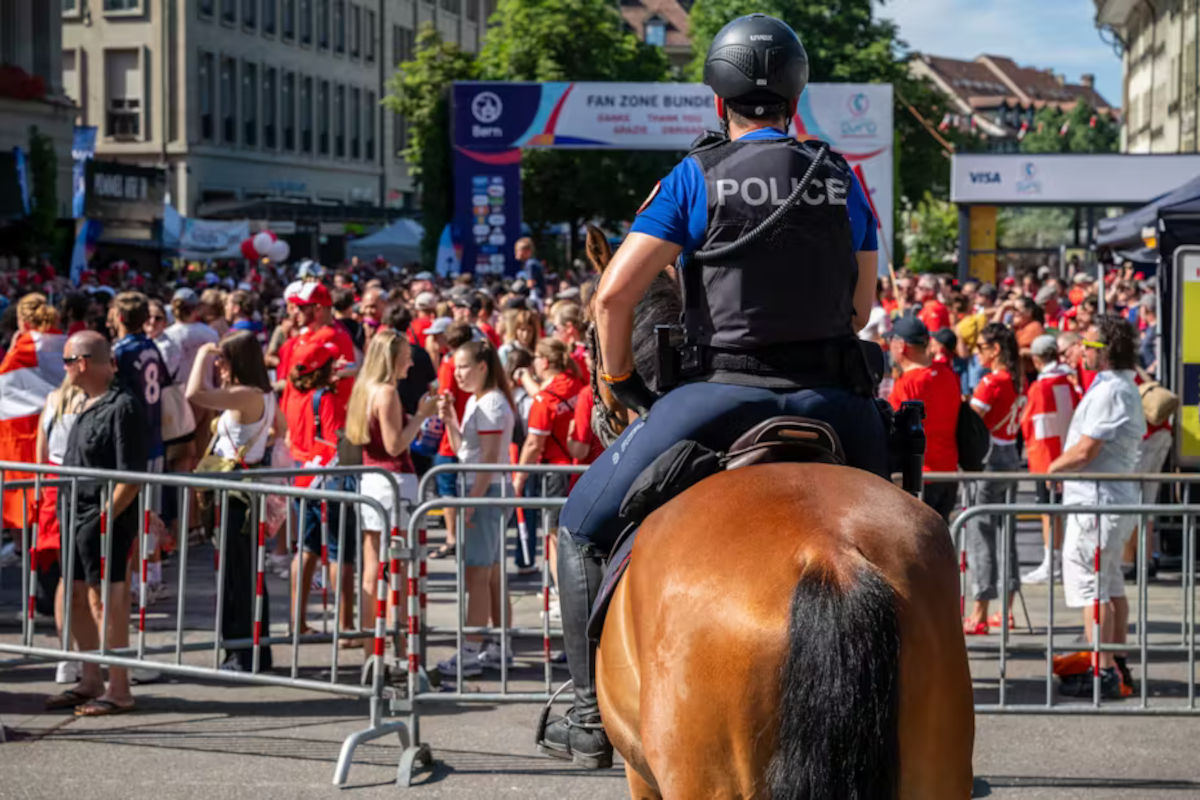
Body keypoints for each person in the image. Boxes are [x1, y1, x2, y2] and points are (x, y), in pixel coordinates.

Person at [540, 14, 887, 767]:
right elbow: (860, 311)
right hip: (838, 403)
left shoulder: (693, 177)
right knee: (907, 537)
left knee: (579, 526)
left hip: (721, 397)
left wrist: (624, 382)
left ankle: (583, 712)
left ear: (717, 95)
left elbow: (611, 300)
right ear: (796, 91)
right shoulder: (841, 176)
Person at [46, 331, 146, 716]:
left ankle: (119, 687)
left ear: (83, 362)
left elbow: (132, 475)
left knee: (105, 602)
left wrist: (105, 516)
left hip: (105, 520)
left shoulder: (123, 406)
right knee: (75, 597)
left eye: (68, 361)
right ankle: (91, 678)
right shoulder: (88, 401)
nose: (65, 369)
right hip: (77, 515)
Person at [1049, 315, 1146, 698]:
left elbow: (1088, 449)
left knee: (1094, 588)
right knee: (1109, 585)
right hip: (1102, 500)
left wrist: (1053, 467)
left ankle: (1103, 669)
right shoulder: (1114, 386)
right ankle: (1115, 664)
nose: (1081, 352)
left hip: (1098, 502)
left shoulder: (1112, 390)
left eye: (1088, 346)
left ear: (1104, 351)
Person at [186, 332, 284, 671]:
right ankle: (249, 651)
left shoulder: (244, 394)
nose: (217, 364)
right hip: (243, 487)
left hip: (236, 493)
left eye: (222, 359)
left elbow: (194, 393)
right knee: (244, 574)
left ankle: (243, 653)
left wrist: (201, 353)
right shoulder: (263, 394)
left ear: (236, 360)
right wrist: (252, 447)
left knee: (236, 575)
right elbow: (279, 430)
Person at [344, 329, 436, 661]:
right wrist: (422, 417)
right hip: (393, 482)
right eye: (406, 357)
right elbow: (396, 444)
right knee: (390, 568)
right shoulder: (385, 392)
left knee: (375, 567)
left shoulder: (365, 389)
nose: (411, 364)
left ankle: (375, 648)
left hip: (374, 481)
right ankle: (389, 648)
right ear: (391, 358)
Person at [435, 340, 517, 676]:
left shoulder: (492, 403)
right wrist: (450, 419)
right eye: (455, 367)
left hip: (485, 493)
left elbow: (486, 461)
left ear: (483, 366)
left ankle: (471, 650)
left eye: (464, 366)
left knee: (479, 576)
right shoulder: (477, 401)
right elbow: (463, 450)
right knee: (490, 574)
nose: (458, 374)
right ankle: (499, 646)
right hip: (483, 492)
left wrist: (471, 505)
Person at [962, 324, 1023, 635]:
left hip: (988, 461)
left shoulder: (990, 382)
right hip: (1010, 454)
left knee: (981, 534)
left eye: (983, 347)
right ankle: (1006, 611)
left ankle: (980, 611)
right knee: (1006, 534)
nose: (978, 353)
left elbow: (973, 423)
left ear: (995, 349)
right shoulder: (1016, 379)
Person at [35, 372, 86, 685]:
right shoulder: (90, 402)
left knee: (67, 578)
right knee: (95, 580)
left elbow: (40, 452)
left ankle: (68, 657)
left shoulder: (52, 400)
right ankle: (102, 654)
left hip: (53, 489)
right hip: (82, 491)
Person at [888, 316, 960, 520]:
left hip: (919, 477)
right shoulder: (948, 373)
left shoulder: (907, 384)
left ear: (901, 346)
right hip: (948, 473)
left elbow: (896, 431)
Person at [1020, 335, 1079, 585]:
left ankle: (1051, 563)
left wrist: (1045, 468)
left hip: (1048, 460)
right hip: (1069, 455)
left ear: (1036, 359)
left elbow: (1037, 428)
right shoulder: (1069, 381)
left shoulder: (1040, 387)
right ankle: (1057, 561)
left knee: (1048, 513)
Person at [428, 321, 475, 560]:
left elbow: (445, 398)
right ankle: (460, 536)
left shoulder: (449, 363)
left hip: (452, 434)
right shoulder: (475, 360)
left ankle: (452, 538)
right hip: (471, 427)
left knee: (447, 489)